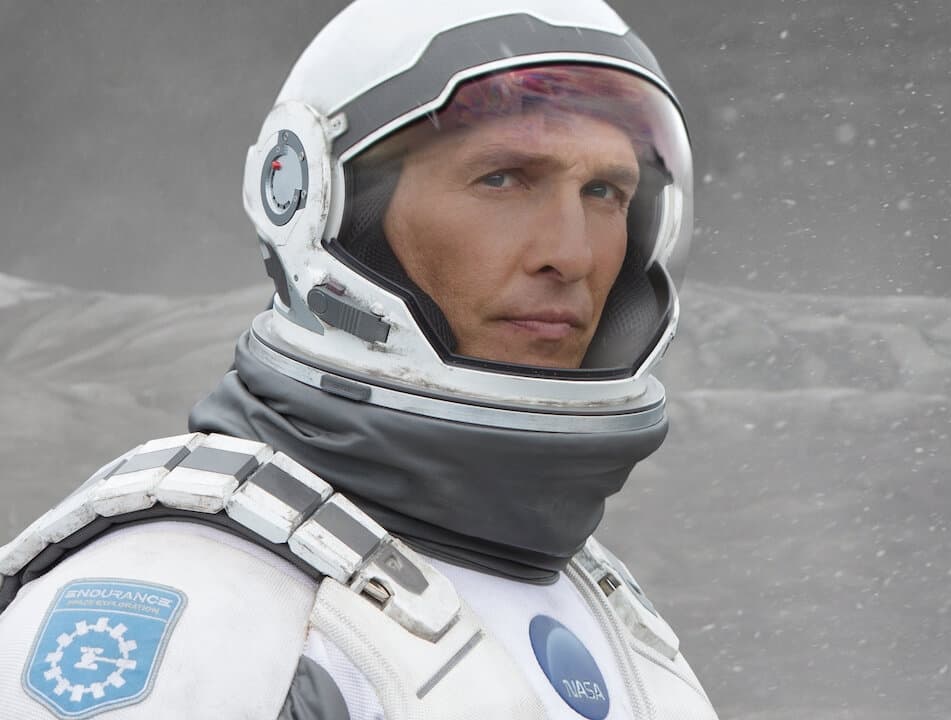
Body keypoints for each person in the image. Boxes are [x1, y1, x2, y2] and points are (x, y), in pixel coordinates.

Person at [0, 1, 719, 718]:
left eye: (604, 192)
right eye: (503, 179)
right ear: (319, 203)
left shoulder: (614, 621)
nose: (572, 253)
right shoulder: (192, 614)